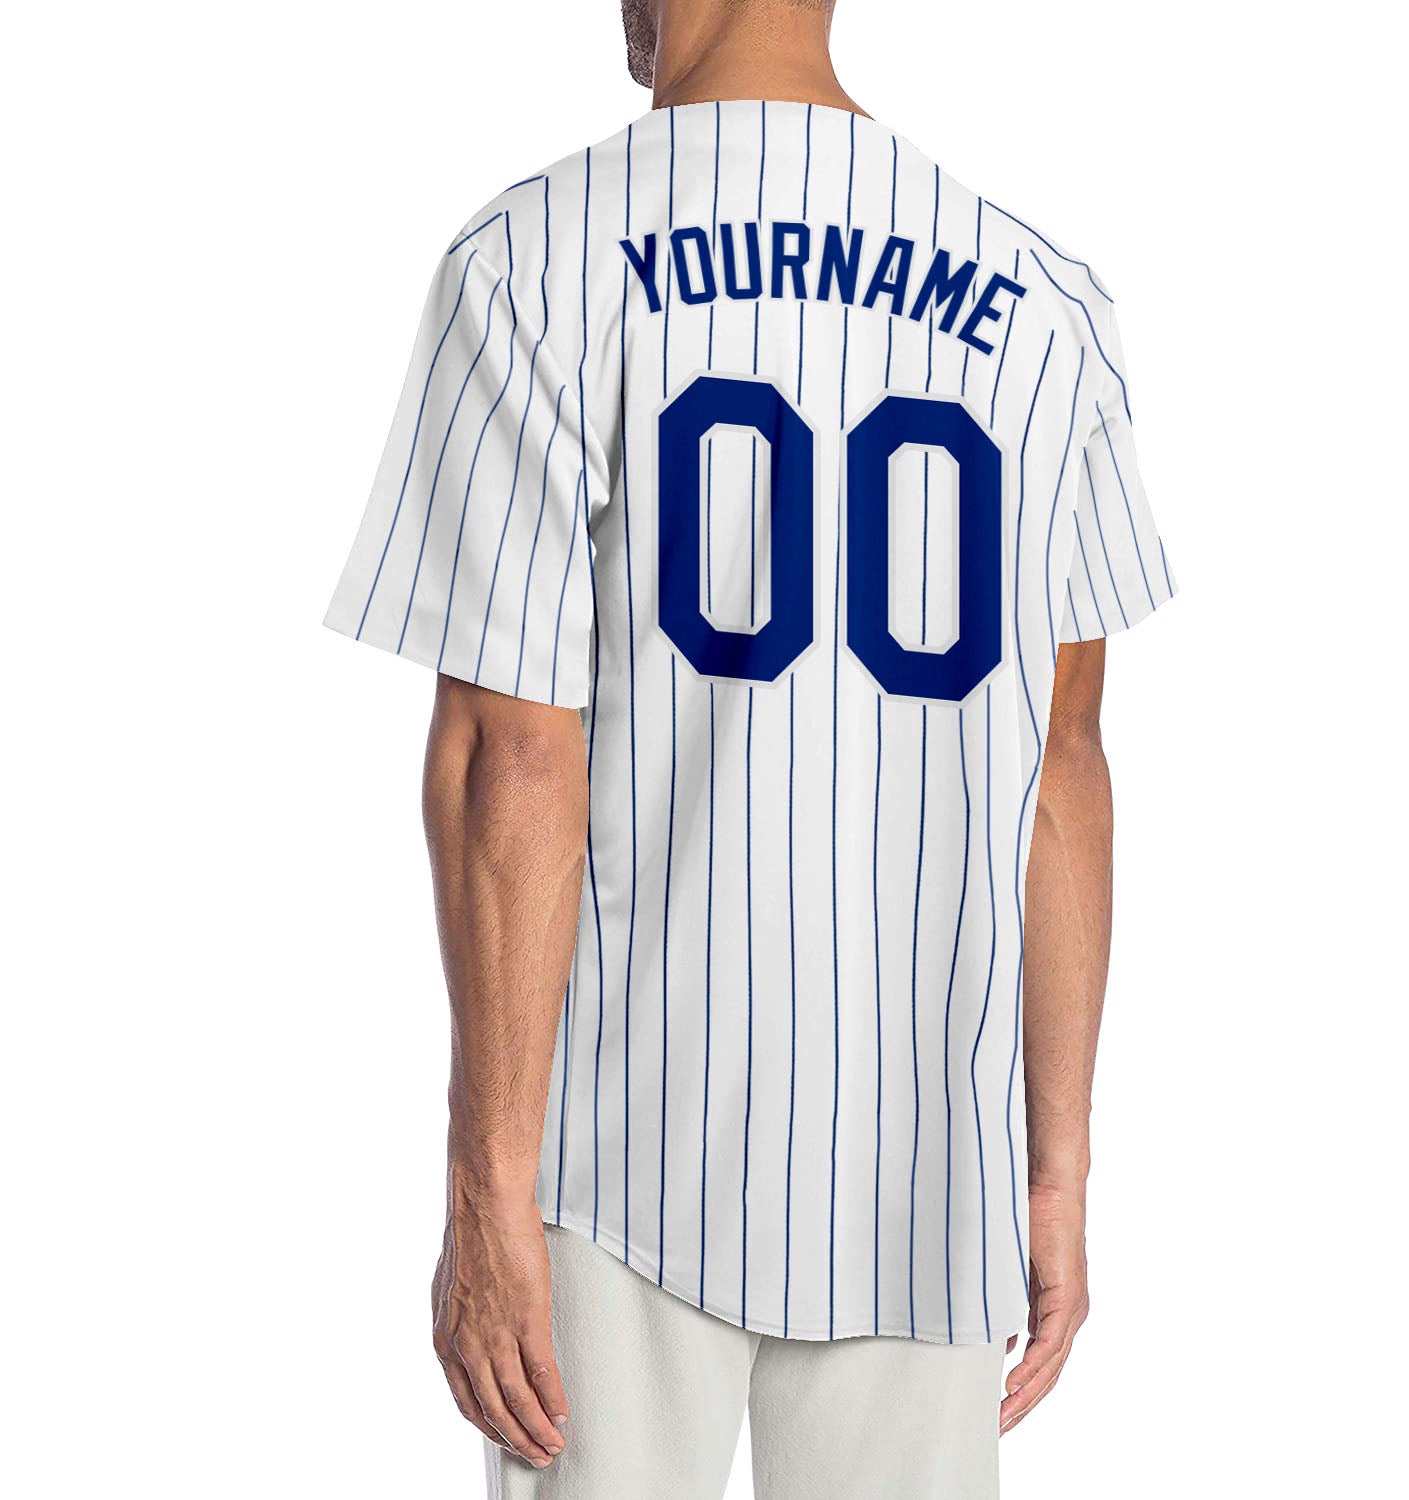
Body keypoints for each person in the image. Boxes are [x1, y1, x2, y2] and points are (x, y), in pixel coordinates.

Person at [326, 1, 1175, 1494]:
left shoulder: (535, 259)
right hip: (926, 1168)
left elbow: (508, 759)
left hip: (617, 1154)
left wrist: (485, 1186)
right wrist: (1056, 1173)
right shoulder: (1048, 301)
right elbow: (1064, 775)